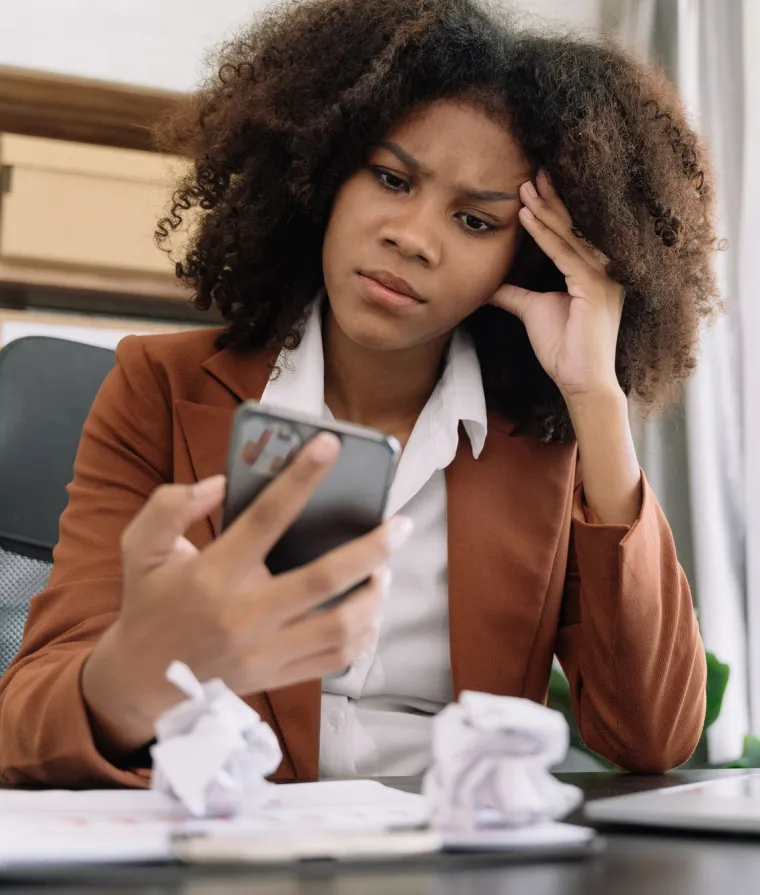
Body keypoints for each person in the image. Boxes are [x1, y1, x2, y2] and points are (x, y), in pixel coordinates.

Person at [0, 0, 719, 786]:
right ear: (323, 176)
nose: (412, 236)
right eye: (390, 178)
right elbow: (23, 725)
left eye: (476, 221)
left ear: (530, 260)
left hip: (448, 858)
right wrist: (133, 673)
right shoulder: (162, 389)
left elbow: (652, 733)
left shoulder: (547, 446)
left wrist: (597, 400)